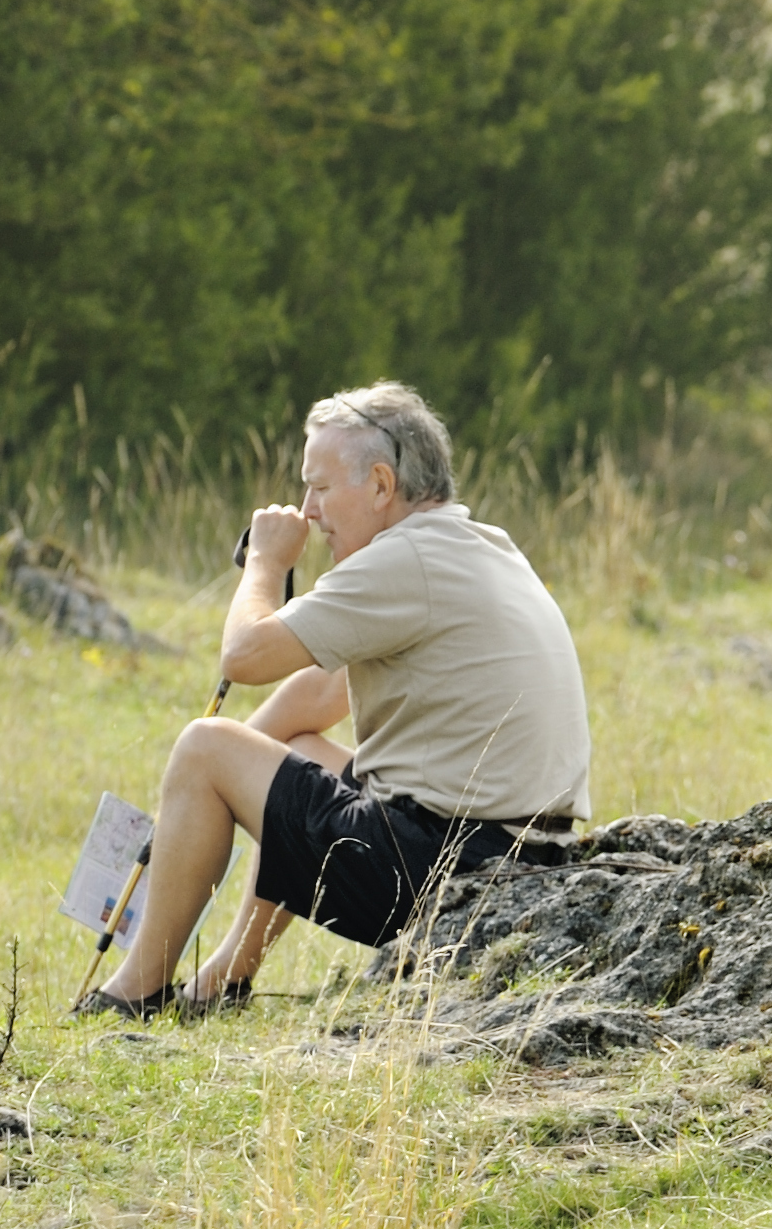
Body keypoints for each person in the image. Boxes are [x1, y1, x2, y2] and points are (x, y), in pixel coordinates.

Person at [75, 381, 593, 1019]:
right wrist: (220, 795)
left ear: (380, 485)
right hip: (515, 852)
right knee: (293, 753)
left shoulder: (403, 561)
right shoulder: (478, 546)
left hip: (442, 868)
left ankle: (135, 992)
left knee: (201, 744)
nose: (307, 510)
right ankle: (224, 979)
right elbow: (316, 695)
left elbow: (243, 656)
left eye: (318, 488)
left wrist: (263, 564)